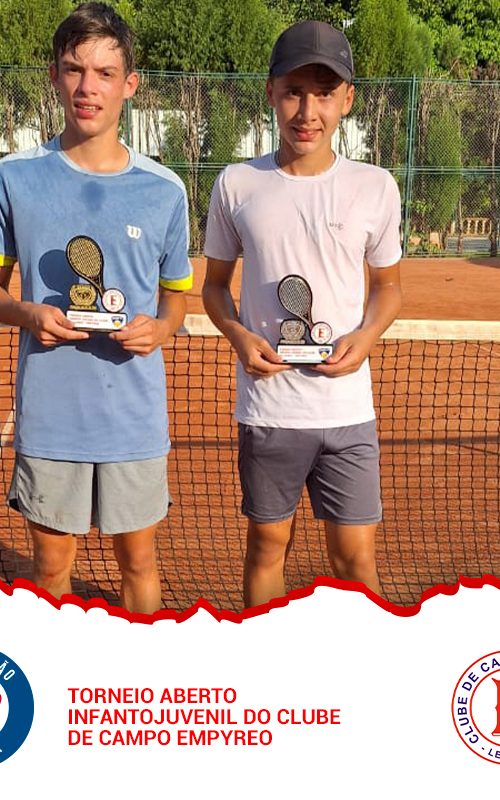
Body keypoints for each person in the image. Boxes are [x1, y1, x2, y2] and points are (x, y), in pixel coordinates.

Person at [203, 20, 402, 608]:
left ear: (347, 99)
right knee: (268, 547)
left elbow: (389, 288)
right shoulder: (237, 183)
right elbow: (214, 288)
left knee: (355, 559)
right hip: (270, 410)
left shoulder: (375, 186)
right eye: (293, 91)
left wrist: (367, 334)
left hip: (348, 411)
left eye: (324, 93)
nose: (307, 111)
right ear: (270, 92)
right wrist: (238, 335)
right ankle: (269, 657)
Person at [0, 2, 192, 613]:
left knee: (139, 564)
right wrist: (28, 315)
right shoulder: (13, 177)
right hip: (50, 417)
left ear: (129, 84)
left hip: (133, 419)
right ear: (55, 76)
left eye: (105, 73)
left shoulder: (165, 190)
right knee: (50, 569)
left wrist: (160, 328)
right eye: (75, 69)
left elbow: (177, 297)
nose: (89, 87)